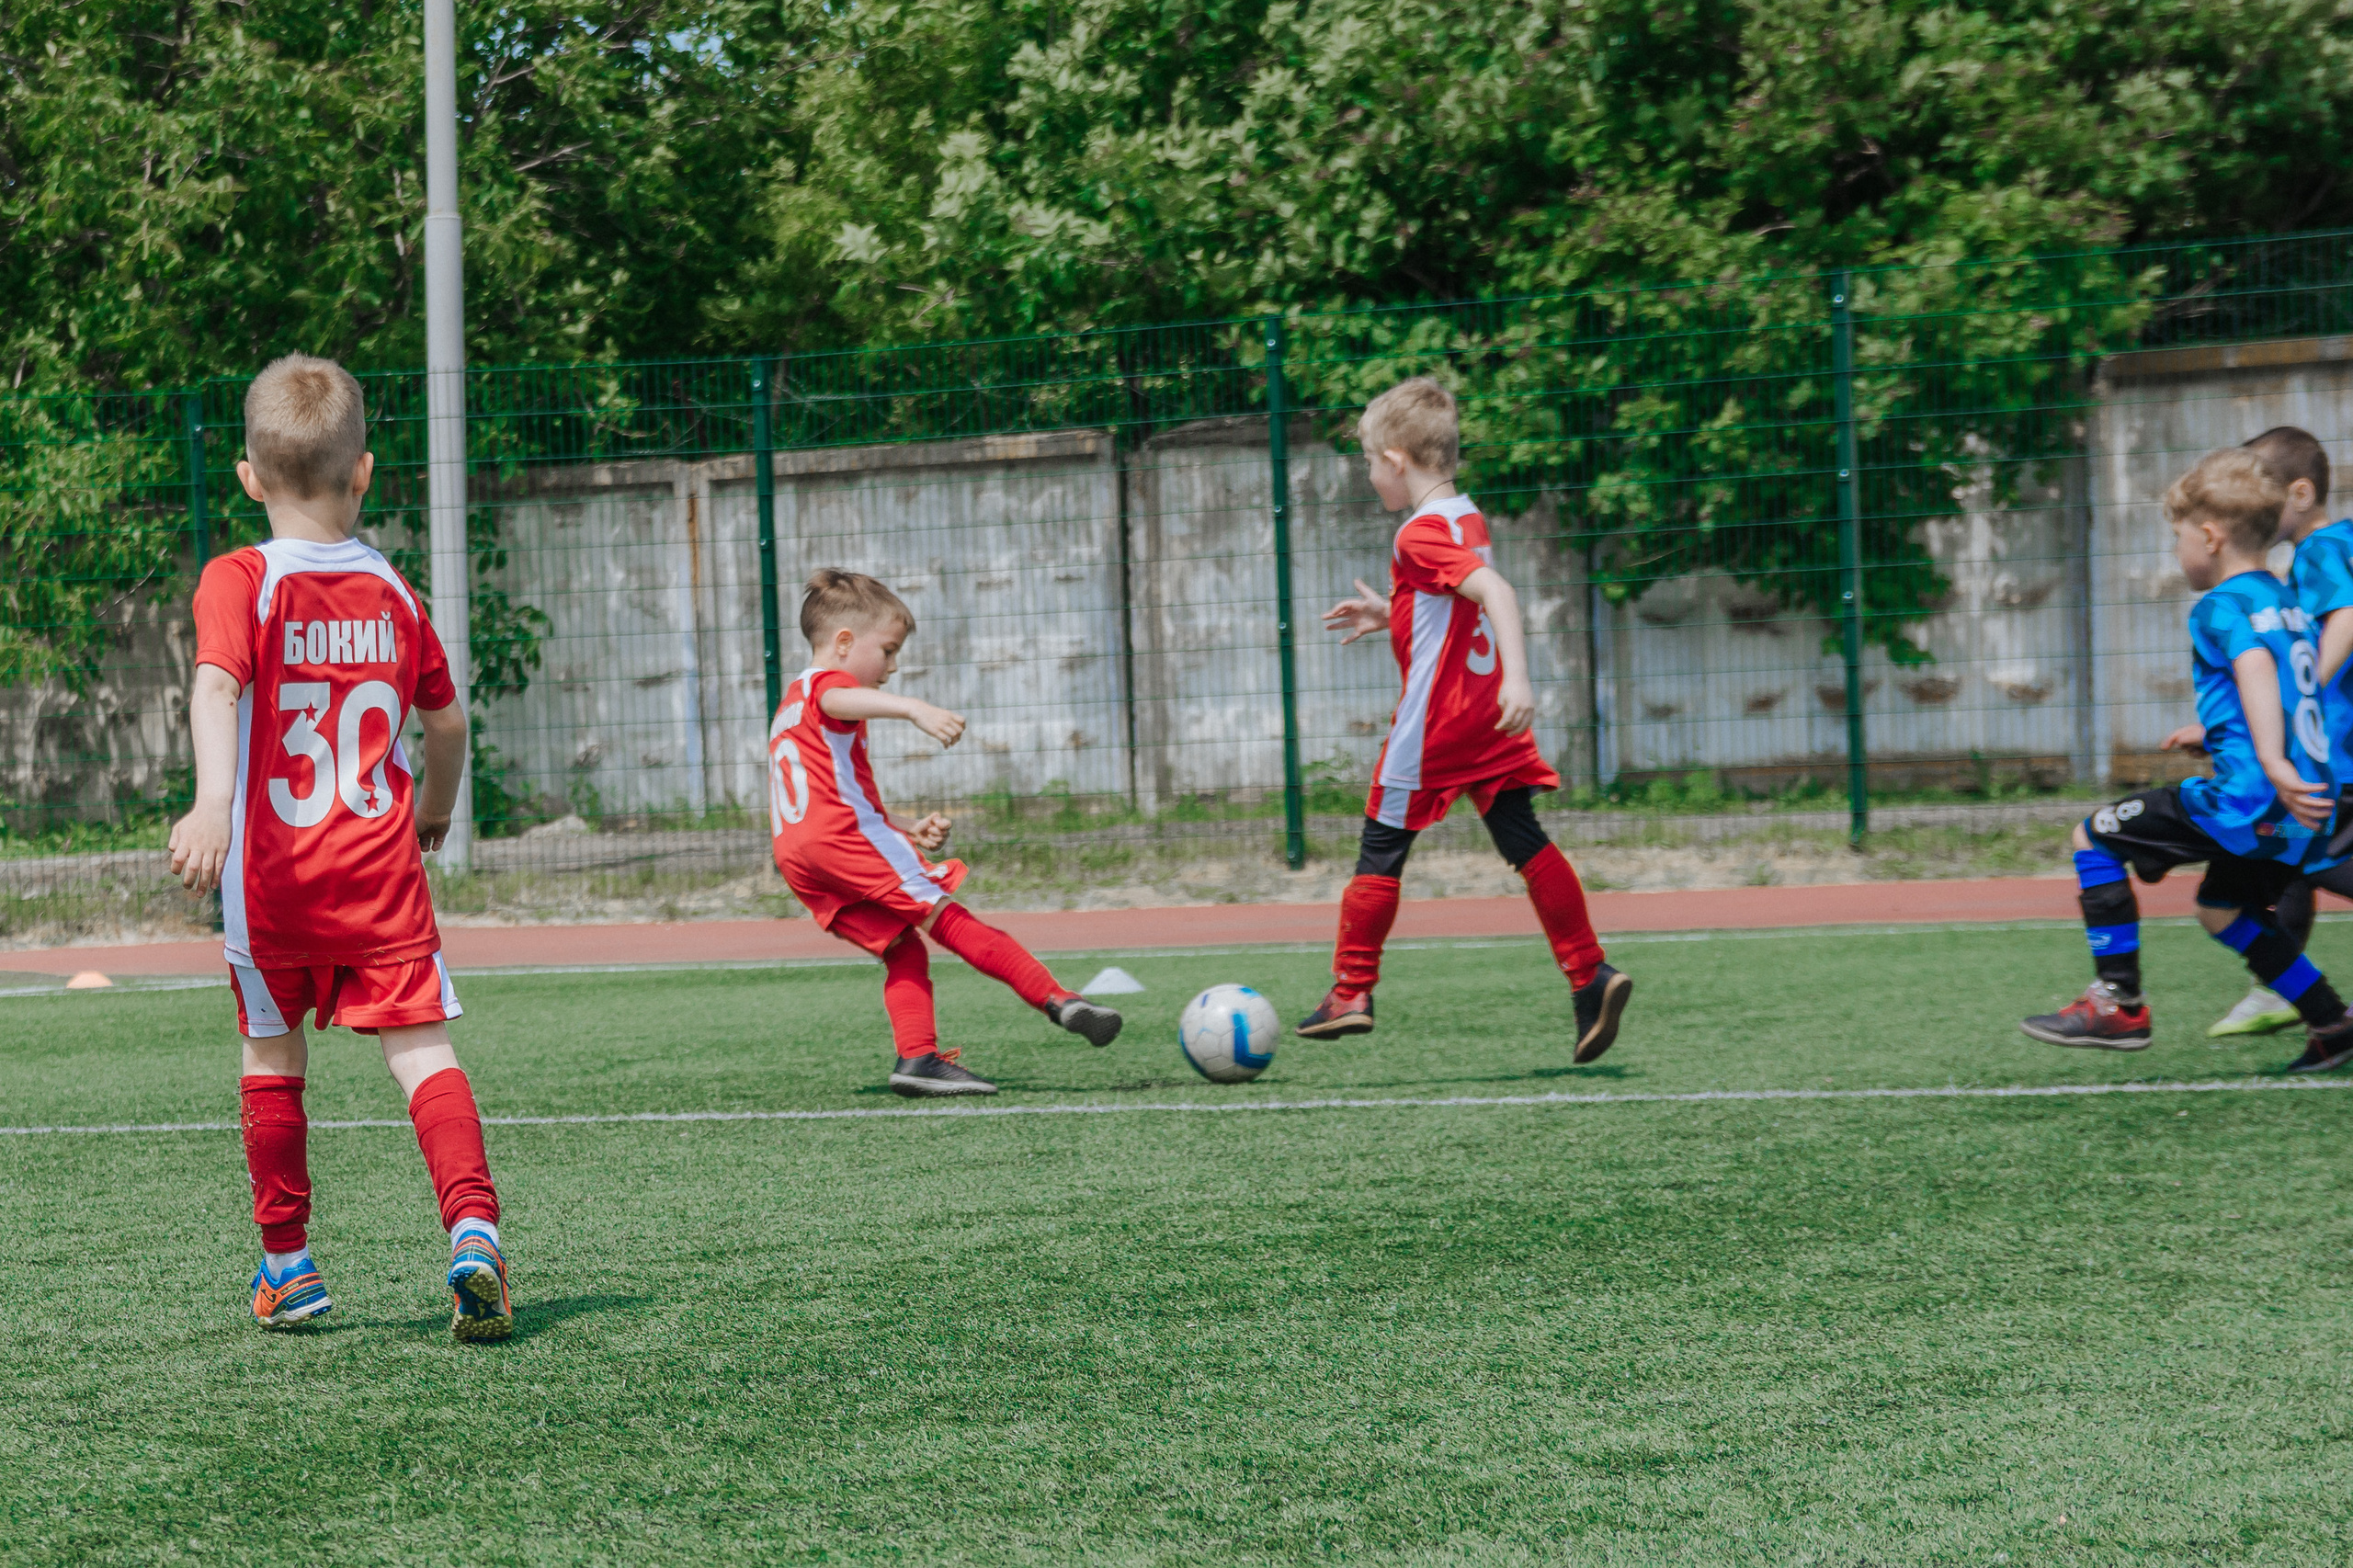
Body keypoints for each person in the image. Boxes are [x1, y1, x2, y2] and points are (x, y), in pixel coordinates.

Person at [167, 355, 511, 1338]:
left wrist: (214, 802)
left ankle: (288, 1265)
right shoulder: (393, 591)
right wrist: (434, 810)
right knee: (423, 1051)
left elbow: (217, 686)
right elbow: (445, 725)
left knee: (272, 1056)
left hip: (274, 878)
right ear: (365, 472)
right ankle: (473, 1230)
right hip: (380, 877)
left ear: (247, 475)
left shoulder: (240, 576)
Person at [1297, 376, 1630, 1061]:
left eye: (1367, 462)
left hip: (1438, 723)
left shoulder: (1416, 534)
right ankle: (1589, 975)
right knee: (1521, 836)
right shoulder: (1465, 518)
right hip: (1485, 722)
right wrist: (1391, 614)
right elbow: (1451, 610)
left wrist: (1520, 676)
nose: (1367, 476)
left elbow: (1495, 593)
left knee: (1380, 846)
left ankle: (1351, 990)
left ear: (1395, 459)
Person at [2022, 447, 2353, 1071]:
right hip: (2305, 793)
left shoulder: (2220, 605)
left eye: (2178, 538)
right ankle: (2332, 1022)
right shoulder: (2284, 601)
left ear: (2210, 535)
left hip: (2251, 795)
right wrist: (2228, 734)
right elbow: (2289, 683)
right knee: (2221, 909)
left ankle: (2118, 1003)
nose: (2178, 553)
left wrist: (2270, 761)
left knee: (2092, 837)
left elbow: (2254, 666)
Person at [768, 569, 1124, 1097]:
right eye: (887, 651)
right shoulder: (826, 687)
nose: (892, 666)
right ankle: (1061, 1000)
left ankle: (917, 1059)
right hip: (841, 840)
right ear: (844, 642)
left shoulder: (791, 700)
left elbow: (834, 797)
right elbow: (837, 699)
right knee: (948, 917)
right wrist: (914, 709)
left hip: (800, 855)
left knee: (903, 949)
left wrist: (906, 828)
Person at [2165, 428, 2349, 1040]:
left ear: (2299, 492)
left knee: (2314, 857)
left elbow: (2345, 621)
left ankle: (2281, 990)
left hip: (2328, 748)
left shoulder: (2320, 549)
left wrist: (2303, 702)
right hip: (2321, 746)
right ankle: (2280, 991)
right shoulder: (2327, 552)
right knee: (2293, 863)